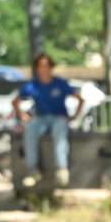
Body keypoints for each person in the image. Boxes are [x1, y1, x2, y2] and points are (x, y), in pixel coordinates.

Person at [17, 52, 83, 186]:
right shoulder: (33, 85)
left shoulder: (61, 83)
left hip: (58, 117)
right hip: (40, 118)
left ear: (51, 67)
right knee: (30, 130)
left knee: (59, 133)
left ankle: (62, 169)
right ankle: (33, 170)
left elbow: (80, 99)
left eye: (46, 66)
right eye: (40, 66)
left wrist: (74, 116)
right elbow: (15, 101)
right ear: (37, 68)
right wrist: (22, 114)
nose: (44, 69)